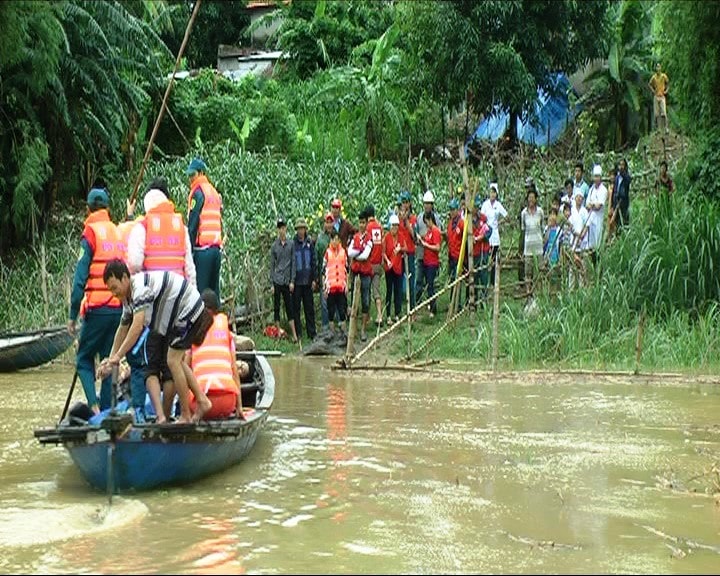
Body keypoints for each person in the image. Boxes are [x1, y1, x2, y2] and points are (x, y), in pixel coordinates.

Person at [98, 259, 214, 424]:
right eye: (110, 290)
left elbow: (137, 327)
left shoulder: (140, 289)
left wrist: (118, 356)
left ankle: (186, 415)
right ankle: (202, 401)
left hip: (188, 308)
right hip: (179, 315)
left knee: (172, 361)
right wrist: (111, 360)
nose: (114, 294)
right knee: (177, 361)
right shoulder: (127, 298)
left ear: (125, 277)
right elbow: (122, 328)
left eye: (115, 288)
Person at [67, 187, 124, 414]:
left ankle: (94, 406)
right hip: (119, 309)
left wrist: (72, 316)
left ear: (88, 209)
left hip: (98, 309)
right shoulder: (117, 231)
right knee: (110, 362)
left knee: (83, 359)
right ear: (108, 208)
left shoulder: (90, 233)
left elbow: (80, 278)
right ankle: (109, 412)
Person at [187, 289, 244, 421]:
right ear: (217, 310)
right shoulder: (225, 331)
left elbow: (185, 369)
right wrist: (239, 407)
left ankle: (185, 415)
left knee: (181, 371)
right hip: (227, 404)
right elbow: (234, 371)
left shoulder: (192, 331)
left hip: (199, 406)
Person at [127, 180, 196, 287]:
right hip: (178, 290)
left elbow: (135, 263)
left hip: (152, 290)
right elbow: (190, 268)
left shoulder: (142, 227)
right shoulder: (181, 227)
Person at [186, 158, 223, 296]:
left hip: (203, 251)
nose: (190, 179)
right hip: (215, 250)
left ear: (201, 173)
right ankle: (218, 318)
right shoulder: (213, 192)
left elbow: (193, 223)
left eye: (193, 175)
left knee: (201, 295)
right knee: (214, 296)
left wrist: (188, 250)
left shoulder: (198, 192)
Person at [270, 217, 298, 343]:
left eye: (283, 228)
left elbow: (293, 263)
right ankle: (278, 332)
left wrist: (292, 280)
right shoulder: (274, 246)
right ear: (278, 230)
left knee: (289, 307)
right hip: (277, 280)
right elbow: (272, 266)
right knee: (276, 306)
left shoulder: (291, 244)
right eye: (280, 228)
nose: (282, 230)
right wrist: (271, 283)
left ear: (286, 228)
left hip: (287, 280)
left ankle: (294, 334)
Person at [347, 209, 373, 342]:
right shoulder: (355, 237)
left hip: (366, 274)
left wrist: (357, 253)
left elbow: (365, 256)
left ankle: (363, 329)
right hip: (356, 273)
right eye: (360, 222)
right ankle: (354, 329)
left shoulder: (369, 238)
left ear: (366, 223)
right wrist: (359, 251)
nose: (362, 225)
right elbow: (349, 252)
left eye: (364, 222)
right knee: (354, 300)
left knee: (365, 300)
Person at [414, 190, 442, 307]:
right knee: (419, 279)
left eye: (429, 203)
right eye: (426, 203)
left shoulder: (436, 219)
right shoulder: (420, 217)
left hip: (431, 256)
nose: (427, 206)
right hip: (421, 254)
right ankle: (418, 301)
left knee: (430, 282)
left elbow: (438, 235)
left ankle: (431, 304)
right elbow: (415, 232)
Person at [292, 217, 317, 341]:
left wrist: (314, 279)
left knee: (309, 308)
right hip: (297, 281)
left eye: (303, 228)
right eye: (299, 229)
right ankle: (299, 334)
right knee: (296, 308)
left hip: (308, 281)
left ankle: (311, 333)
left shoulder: (309, 243)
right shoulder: (293, 244)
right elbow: (291, 263)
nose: (301, 231)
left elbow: (314, 261)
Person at [480, 182, 507, 285]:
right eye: (491, 192)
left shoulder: (498, 205)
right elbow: (482, 218)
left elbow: (506, 216)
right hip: (486, 233)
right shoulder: (485, 205)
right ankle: (485, 279)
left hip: (495, 234)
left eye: (494, 192)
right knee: (486, 257)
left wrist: (498, 223)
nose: (492, 194)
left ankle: (492, 280)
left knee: (494, 258)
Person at [323, 230, 348, 334]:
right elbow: (323, 271)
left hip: (341, 286)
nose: (335, 241)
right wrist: (325, 288)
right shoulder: (327, 253)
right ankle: (332, 333)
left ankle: (343, 332)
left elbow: (347, 270)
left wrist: (347, 285)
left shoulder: (343, 252)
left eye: (337, 239)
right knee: (331, 312)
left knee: (342, 311)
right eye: (334, 239)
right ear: (331, 240)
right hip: (331, 287)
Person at [520, 187, 544, 296]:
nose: (530, 200)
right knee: (528, 272)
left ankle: (538, 293)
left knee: (540, 271)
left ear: (536, 199)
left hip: (538, 246)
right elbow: (523, 229)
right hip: (528, 247)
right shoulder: (524, 213)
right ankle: (528, 293)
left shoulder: (540, 212)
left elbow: (542, 227)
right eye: (529, 198)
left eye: (532, 197)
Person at [397, 191, 417, 311]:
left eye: (406, 202)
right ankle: (398, 310)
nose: (404, 205)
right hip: (399, 252)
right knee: (398, 280)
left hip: (409, 252)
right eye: (402, 202)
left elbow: (414, 235)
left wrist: (406, 221)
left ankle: (412, 308)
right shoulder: (396, 219)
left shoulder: (413, 219)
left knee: (410, 279)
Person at [382, 214, 404, 324]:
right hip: (389, 268)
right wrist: (387, 261)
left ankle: (397, 313)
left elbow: (405, 248)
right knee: (389, 291)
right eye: (393, 226)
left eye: (396, 226)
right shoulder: (386, 237)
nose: (395, 228)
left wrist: (400, 249)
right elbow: (384, 252)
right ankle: (388, 315)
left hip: (398, 267)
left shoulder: (400, 236)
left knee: (398, 291)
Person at [365, 205, 385, 326]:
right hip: (378, 263)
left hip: (369, 264)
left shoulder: (367, 228)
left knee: (366, 291)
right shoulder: (379, 227)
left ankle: (366, 317)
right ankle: (379, 315)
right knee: (376, 291)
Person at [470, 198, 492, 305]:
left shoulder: (483, 218)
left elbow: (488, 231)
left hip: (483, 250)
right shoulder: (467, 219)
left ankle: (484, 299)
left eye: (477, 207)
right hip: (473, 252)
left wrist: (481, 237)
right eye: (475, 207)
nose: (476, 209)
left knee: (483, 275)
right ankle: (474, 299)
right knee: (474, 276)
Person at [420, 212, 441, 317]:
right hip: (427, 261)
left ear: (430, 220)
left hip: (432, 262)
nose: (426, 224)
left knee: (431, 286)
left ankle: (433, 309)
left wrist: (426, 245)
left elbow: (437, 247)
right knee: (428, 285)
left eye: (426, 222)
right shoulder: (429, 231)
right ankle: (430, 304)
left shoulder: (436, 231)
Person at [315, 213, 334, 330]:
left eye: (330, 222)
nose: (329, 225)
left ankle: (335, 328)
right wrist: (317, 277)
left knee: (336, 302)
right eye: (326, 222)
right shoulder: (320, 240)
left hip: (336, 275)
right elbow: (317, 259)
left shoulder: (336, 236)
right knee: (325, 303)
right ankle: (325, 328)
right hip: (324, 275)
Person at [585, 164, 608, 259]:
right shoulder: (591, 189)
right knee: (591, 246)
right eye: (595, 176)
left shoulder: (603, 190)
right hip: (591, 220)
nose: (596, 179)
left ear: (601, 177)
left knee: (598, 244)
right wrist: (592, 205)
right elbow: (587, 204)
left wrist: (592, 205)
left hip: (599, 219)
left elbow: (598, 206)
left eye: (598, 176)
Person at [569, 191, 589, 288]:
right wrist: (576, 234)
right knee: (572, 266)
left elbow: (586, 225)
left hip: (582, 241)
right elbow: (570, 225)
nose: (579, 199)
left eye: (581, 197)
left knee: (582, 265)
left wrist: (582, 235)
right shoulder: (571, 211)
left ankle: (582, 288)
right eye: (578, 197)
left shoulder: (585, 211)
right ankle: (571, 288)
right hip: (573, 240)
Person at [611, 158, 631, 234]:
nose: (621, 167)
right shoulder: (617, 178)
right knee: (617, 225)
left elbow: (624, 192)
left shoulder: (627, 178)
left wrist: (623, 173)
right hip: (616, 204)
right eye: (620, 165)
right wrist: (613, 205)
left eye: (623, 165)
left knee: (624, 224)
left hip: (623, 205)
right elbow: (614, 191)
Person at [446, 198, 464, 286]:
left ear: (458, 210)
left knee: (457, 279)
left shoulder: (462, 223)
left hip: (458, 256)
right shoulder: (450, 223)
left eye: (453, 209)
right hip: (451, 255)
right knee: (452, 278)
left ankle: (457, 298)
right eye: (451, 209)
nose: (452, 212)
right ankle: (452, 297)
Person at [648, 63, 669, 135]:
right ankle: (658, 129)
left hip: (662, 96)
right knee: (657, 114)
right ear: (655, 69)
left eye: (659, 67)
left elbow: (668, 83)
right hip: (656, 96)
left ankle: (666, 128)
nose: (658, 69)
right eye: (657, 67)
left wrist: (666, 90)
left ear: (661, 68)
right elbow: (649, 84)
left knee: (664, 113)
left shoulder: (663, 76)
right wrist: (653, 91)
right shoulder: (654, 77)